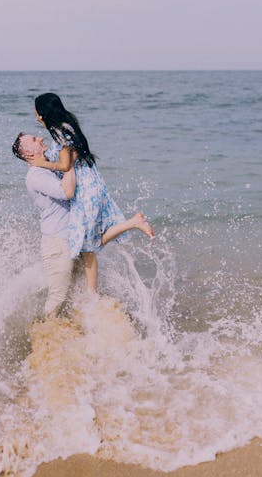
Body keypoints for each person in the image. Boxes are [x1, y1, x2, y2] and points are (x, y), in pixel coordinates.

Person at [27, 93, 155, 293]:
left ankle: (92, 296)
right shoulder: (67, 126)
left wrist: (41, 163)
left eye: (36, 111)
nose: (34, 115)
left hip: (85, 190)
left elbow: (65, 164)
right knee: (88, 243)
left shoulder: (59, 132)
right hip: (92, 183)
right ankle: (132, 224)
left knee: (88, 247)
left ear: (42, 114)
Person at [12, 133, 76, 318]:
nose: (40, 138)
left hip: (69, 238)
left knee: (73, 294)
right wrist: (69, 163)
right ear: (28, 153)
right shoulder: (36, 175)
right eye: (34, 140)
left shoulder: (46, 168)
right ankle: (44, 337)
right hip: (58, 243)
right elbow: (67, 192)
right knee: (57, 298)